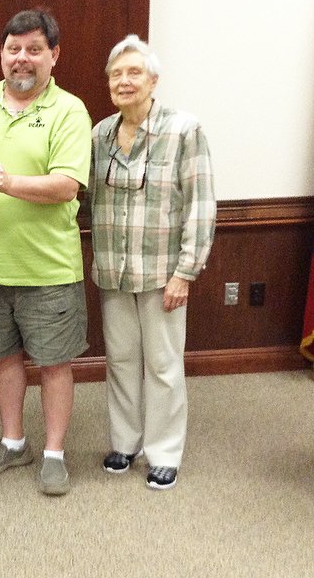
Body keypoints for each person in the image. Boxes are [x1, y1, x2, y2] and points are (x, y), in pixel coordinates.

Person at [0, 9, 91, 496]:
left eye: (34, 49)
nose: (22, 59)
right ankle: (14, 443)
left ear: (53, 55)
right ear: (1, 54)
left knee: (55, 363)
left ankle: (54, 453)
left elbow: (66, 185)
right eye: (13, 49)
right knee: (4, 358)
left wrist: (11, 184)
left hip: (50, 268)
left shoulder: (70, 110)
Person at [89, 34, 215, 490]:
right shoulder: (99, 134)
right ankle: (125, 442)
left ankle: (163, 452)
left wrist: (186, 271)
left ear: (153, 80)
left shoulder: (184, 130)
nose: (124, 81)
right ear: (108, 83)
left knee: (163, 364)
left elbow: (200, 205)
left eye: (134, 72)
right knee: (120, 359)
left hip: (164, 274)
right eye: (116, 74)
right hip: (114, 271)